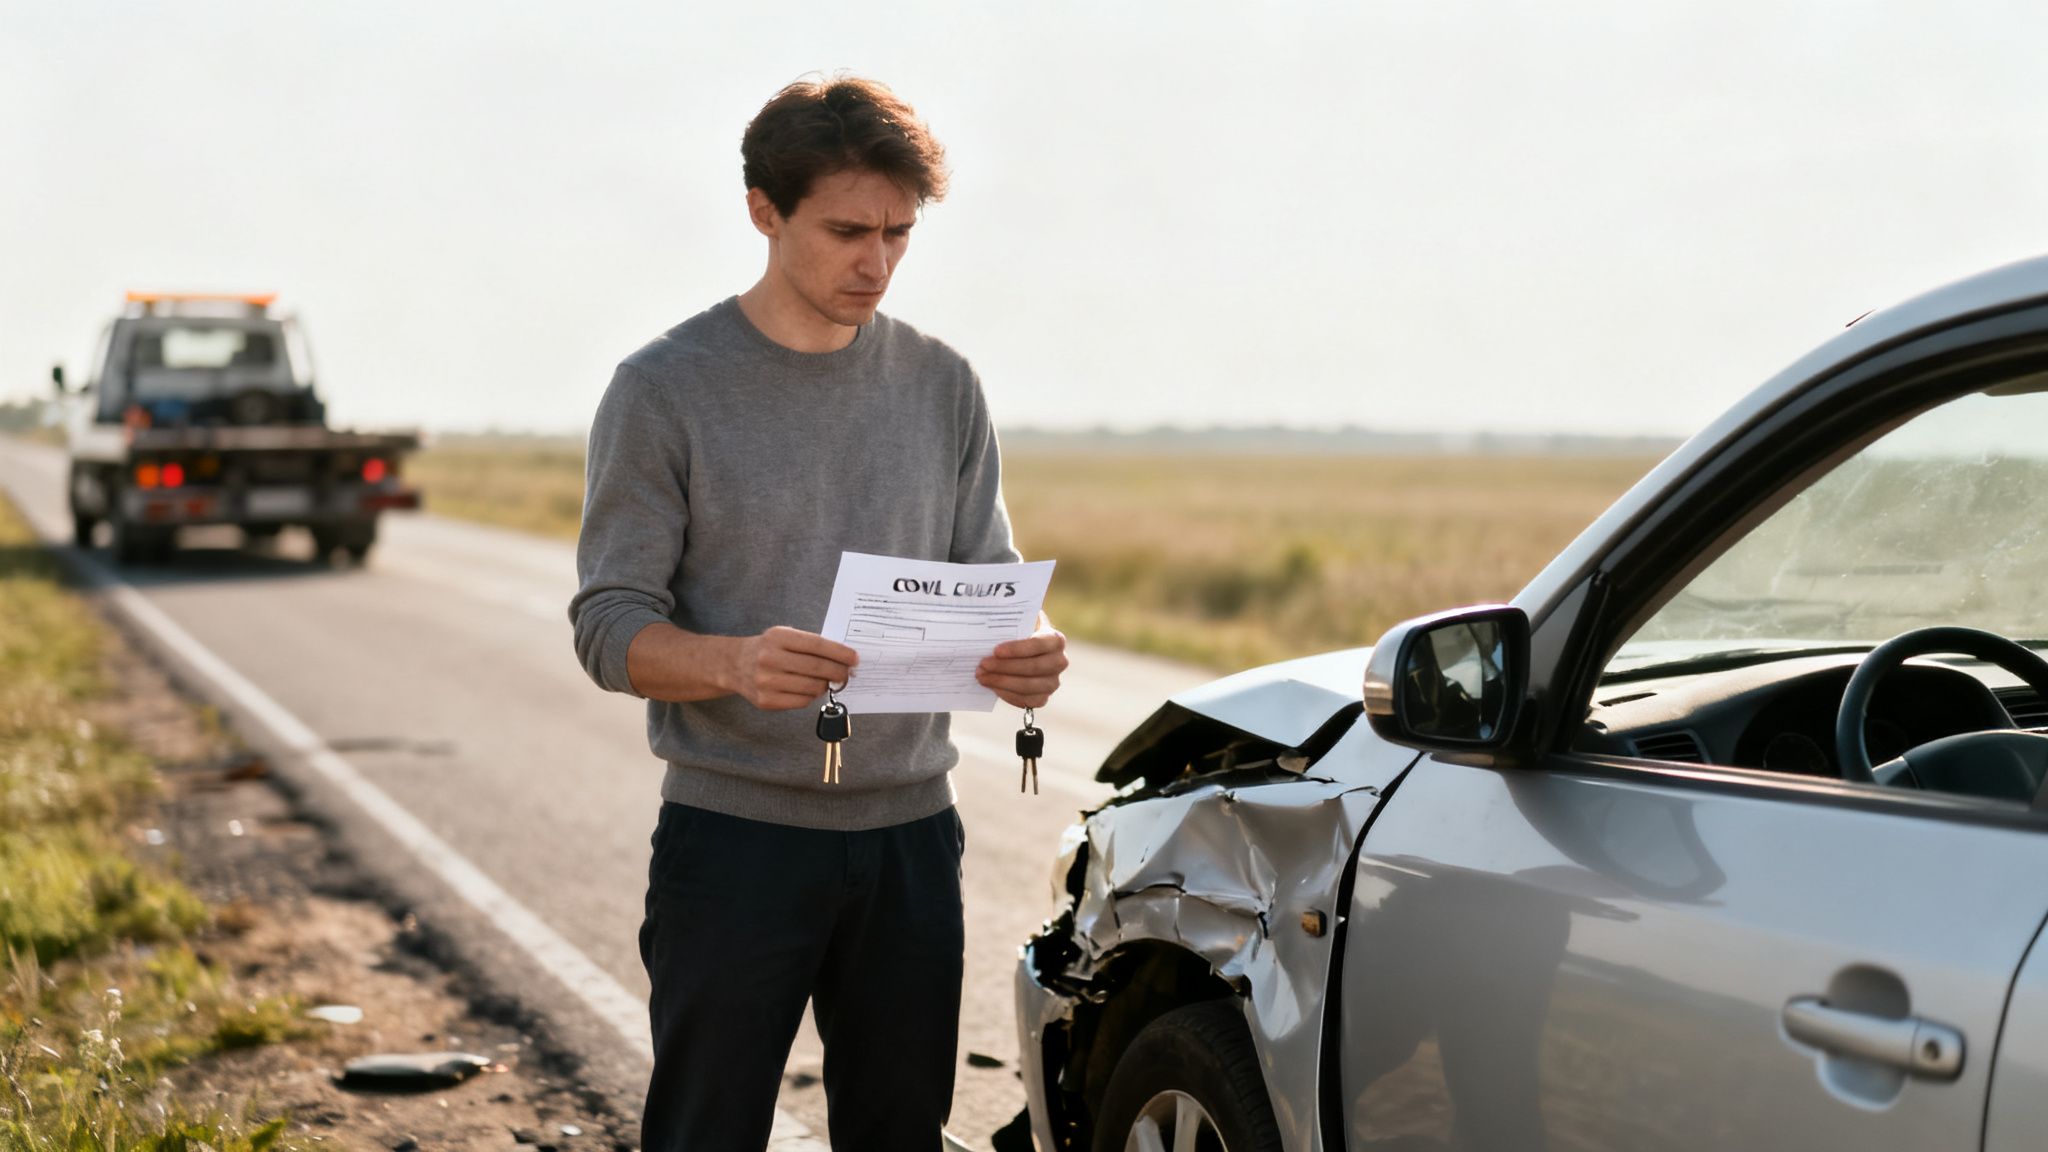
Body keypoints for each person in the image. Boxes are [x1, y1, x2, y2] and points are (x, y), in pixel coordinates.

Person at [568, 75, 1067, 1152]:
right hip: (735, 840)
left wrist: (1020, 657)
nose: (875, 263)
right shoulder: (663, 389)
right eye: (846, 231)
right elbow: (608, 625)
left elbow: (988, 577)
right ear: (764, 210)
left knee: (900, 1133)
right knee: (706, 1131)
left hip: (912, 841)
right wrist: (733, 664)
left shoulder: (943, 385)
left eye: (897, 233)